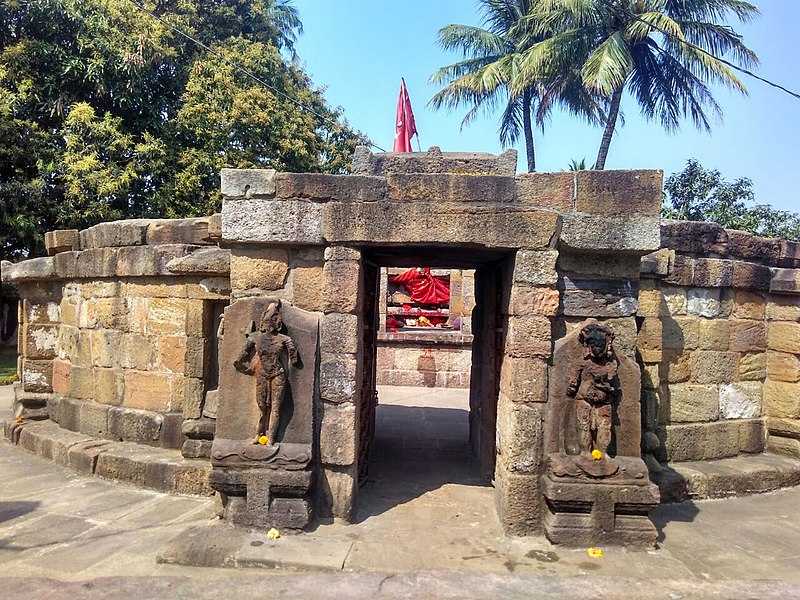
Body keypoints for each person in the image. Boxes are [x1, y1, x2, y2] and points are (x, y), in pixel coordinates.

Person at [234, 301, 300, 445]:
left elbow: (294, 358)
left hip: (278, 374)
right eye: (268, 320)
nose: (270, 323)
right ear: (263, 322)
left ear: (278, 323)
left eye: (274, 319)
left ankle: (271, 438)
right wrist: (247, 368)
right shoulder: (255, 337)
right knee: (262, 407)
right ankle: (259, 434)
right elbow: (239, 359)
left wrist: (292, 352)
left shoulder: (284, 339)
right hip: (262, 374)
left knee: (275, 408)